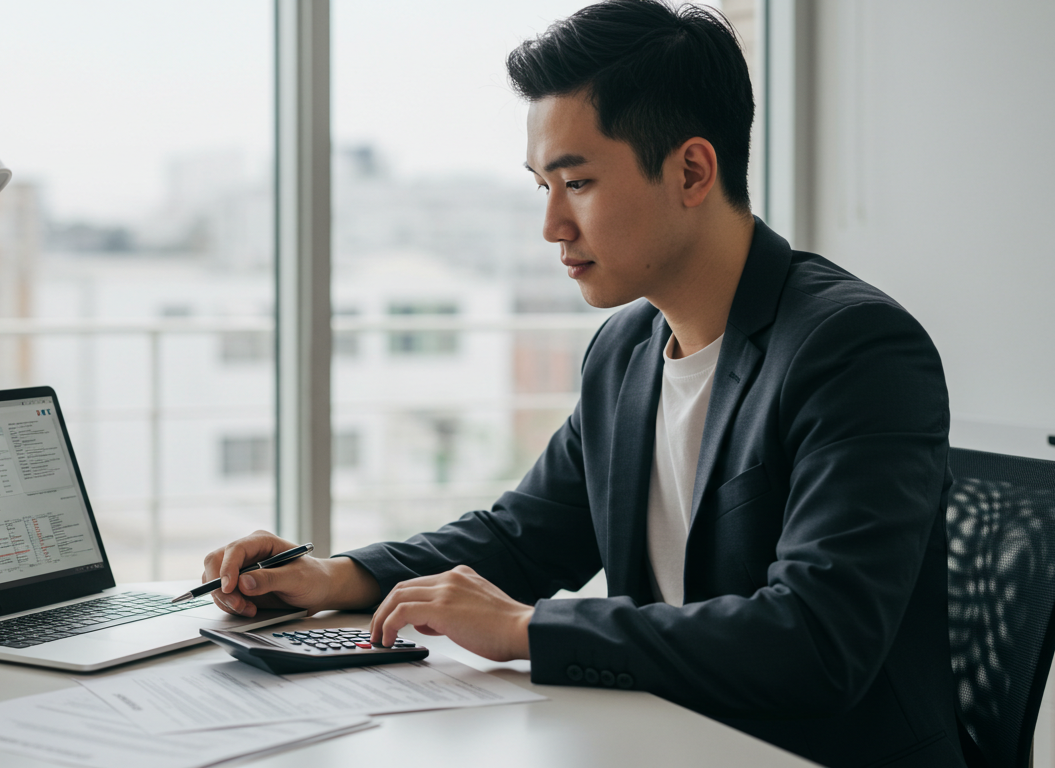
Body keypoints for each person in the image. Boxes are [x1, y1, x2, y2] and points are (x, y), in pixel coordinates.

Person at [200, 2, 961, 765]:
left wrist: (527, 629)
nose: (553, 225)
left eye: (580, 182)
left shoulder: (854, 349)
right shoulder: (626, 350)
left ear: (692, 170)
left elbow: (816, 640)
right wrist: (333, 577)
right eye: (543, 187)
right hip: (664, 741)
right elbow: (522, 537)